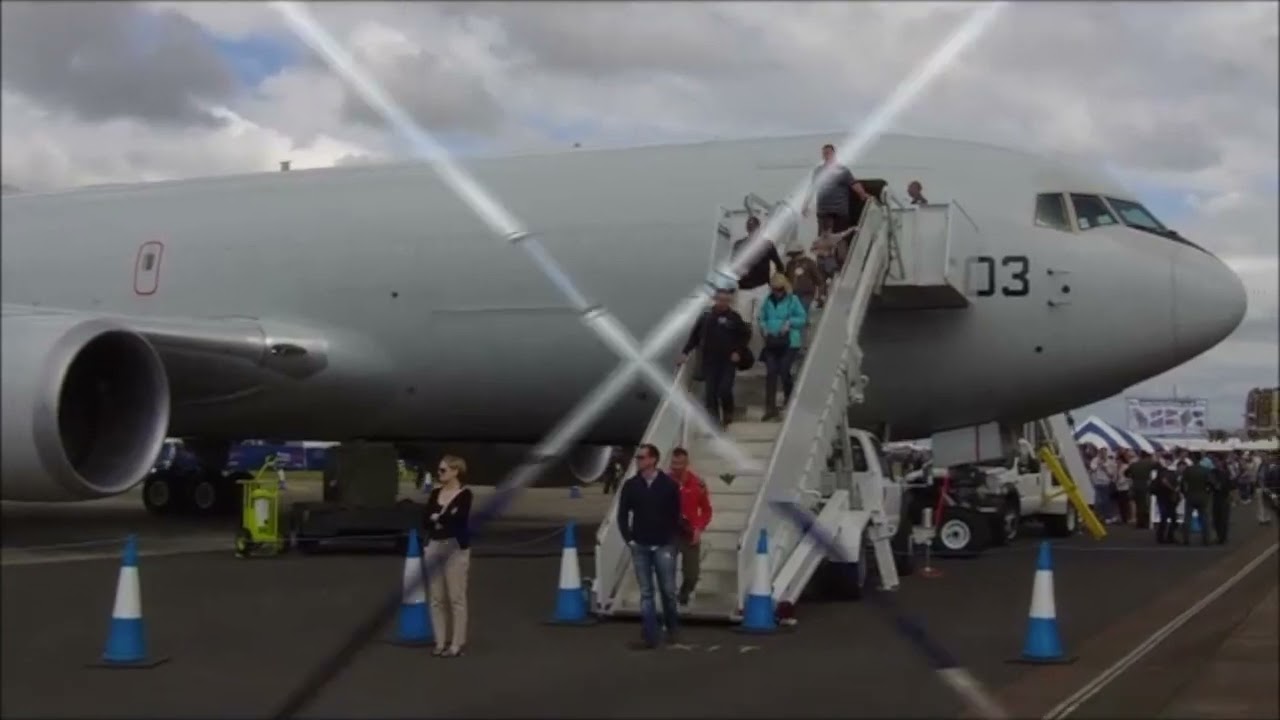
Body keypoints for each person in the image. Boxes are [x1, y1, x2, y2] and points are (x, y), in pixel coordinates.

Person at [616, 443, 682, 649]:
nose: (638, 461)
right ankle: (650, 634)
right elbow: (622, 515)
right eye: (637, 458)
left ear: (653, 460)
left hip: (664, 545)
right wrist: (630, 540)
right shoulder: (631, 485)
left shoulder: (668, 485)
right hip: (641, 545)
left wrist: (672, 540)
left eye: (642, 457)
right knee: (646, 593)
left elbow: (675, 515)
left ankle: (672, 628)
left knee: (668, 591)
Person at [678, 287, 750, 428]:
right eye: (720, 300)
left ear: (729, 301)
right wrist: (685, 352)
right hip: (710, 361)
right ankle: (715, 421)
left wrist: (738, 352)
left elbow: (744, 336)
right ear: (715, 300)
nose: (722, 303)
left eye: (725, 300)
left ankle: (728, 412)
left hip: (728, 361)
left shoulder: (734, 317)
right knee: (710, 393)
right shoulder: (706, 317)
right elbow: (694, 337)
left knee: (724, 389)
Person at [423, 454, 473, 657]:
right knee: (436, 597)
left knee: (456, 597)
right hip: (434, 545)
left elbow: (458, 520)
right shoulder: (435, 493)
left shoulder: (465, 494)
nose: (439, 473)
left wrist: (439, 517)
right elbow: (425, 520)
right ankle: (440, 640)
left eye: (443, 470)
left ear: (455, 471)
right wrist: (442, 517)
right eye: (439, 470)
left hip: (454, 548)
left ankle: (456, 643)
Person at [756, 273, 808, 421]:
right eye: (774, 289)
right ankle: (770, 408)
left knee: (784, 370)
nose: (777, 292)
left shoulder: (793, 300)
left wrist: (789, 323)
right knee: (771, 373)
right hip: (772, 342)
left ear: (784, 288)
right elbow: (762, 317)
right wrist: (764, 327)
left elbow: (802, 318)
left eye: (779, 289)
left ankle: (789, 397)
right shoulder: (768, 301)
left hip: (790, 342)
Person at [669, 447, 712, 606]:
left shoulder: (698, 484)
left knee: (692, 574)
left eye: (680, 463)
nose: (676, 467)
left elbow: (707, 510)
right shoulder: (664, 482)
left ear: (687, 463)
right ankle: (669, 601)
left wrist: (699, 528)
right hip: (670, 533)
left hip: (690, 533)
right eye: (674, 463)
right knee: (666, 569)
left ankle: (685, 592)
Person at [730, 216, 785, 325]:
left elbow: (779, 266)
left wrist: (776, 282)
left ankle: (760, 339)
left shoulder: (767, 245)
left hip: (762, 287)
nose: (752, 230)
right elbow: (733, 266)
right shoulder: (738, 245)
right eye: (750, 228)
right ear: (747, 229)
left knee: (762, 318)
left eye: (754, 228)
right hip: (744, 288)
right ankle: (746, 339)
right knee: (743, 320)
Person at [802, 143, 858, 241]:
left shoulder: (843, 170)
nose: (827, 155)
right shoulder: (818, 171)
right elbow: (812, 188)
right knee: (823, 239)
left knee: (840, 238)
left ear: (834, 154)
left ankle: (840, 255)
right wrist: (805, 204)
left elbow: (854, 184)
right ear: (823, 156)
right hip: (824, 211)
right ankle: (823, 255)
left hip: (839, 212)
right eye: (825, 154)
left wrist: (863, 195)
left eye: (828, 153)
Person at [1180, 453, 1213, 546]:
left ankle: (1186, 539)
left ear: (1193, 459)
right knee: (1204, 518)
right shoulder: (1206, 470)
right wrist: (1208, 492)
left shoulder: (1188, 470)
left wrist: (1184, 493)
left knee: (1187, 518)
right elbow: (1211, 483)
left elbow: (1183, 483)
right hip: (1202, 495)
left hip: (1191, 495)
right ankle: (1206, 539)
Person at [783, 242, 822, 312]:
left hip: (806, 293)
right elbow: (786, 278)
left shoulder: (809, 263)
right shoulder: (789, 265)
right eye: (792, 255)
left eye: (794, 254)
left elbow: (818, 279)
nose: (793, 257)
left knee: (802, 310)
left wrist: (819, 294)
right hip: (793, 294)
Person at [1126, 451, 1158, 530]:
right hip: (1145, 486)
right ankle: (1144, 522)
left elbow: (1126, 473)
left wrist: (1133, 476)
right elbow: (1159, 467)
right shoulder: (1150, 464)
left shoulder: (1134, 465)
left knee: (1138, 504)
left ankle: (1139, 522)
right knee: (1145, 505)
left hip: (1135, 486)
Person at [1152, 456, 1181, 544]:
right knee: (1169, 517)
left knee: (1167, 517)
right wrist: (1173, 489)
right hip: (1166, 496)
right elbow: (1164, 482)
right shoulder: (1166, 471)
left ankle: (1163, 537)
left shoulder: (1163, 471)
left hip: (1164, 496)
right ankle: (1166, 537)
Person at [1209, 454, 1232, 544]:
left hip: (1224, 497)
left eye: (1217, 461)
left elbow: (1229, 485)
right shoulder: (1213, 472)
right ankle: (1219, 536)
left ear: (1222, 462)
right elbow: (1210, 483)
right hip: (1216, 497)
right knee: (1216, 518)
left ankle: (1222, 537)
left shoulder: (1226, 472)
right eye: (1214, 461)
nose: (1216, 463)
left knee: (1223, 518)